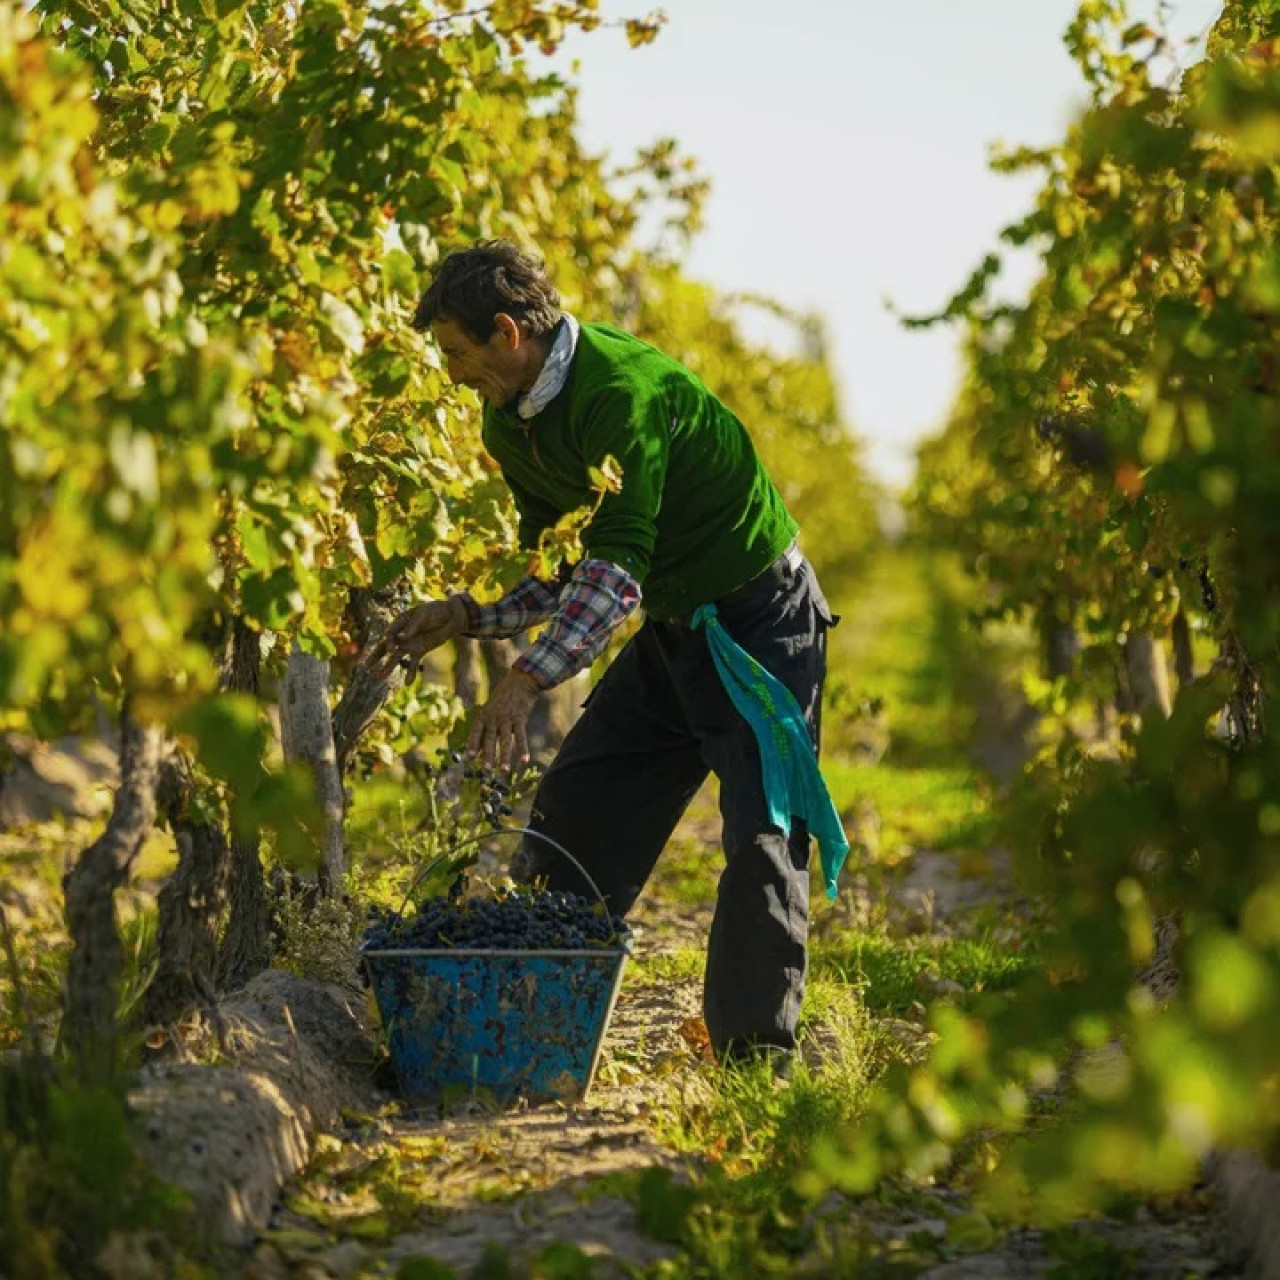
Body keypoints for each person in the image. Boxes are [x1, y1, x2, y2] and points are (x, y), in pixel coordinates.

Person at [367, 239, 841, 1065]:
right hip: (675, 627)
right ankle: (531, 1022)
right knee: (576, 816)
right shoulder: (509, 420)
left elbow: (616, 567)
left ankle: (754, 1064)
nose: (450, 373)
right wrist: (467, 615)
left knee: (765, 840)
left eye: (455, 352)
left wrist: (525, 679)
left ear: (508, 333)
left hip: (761, 623)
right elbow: (565, 561)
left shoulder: (619, 393)